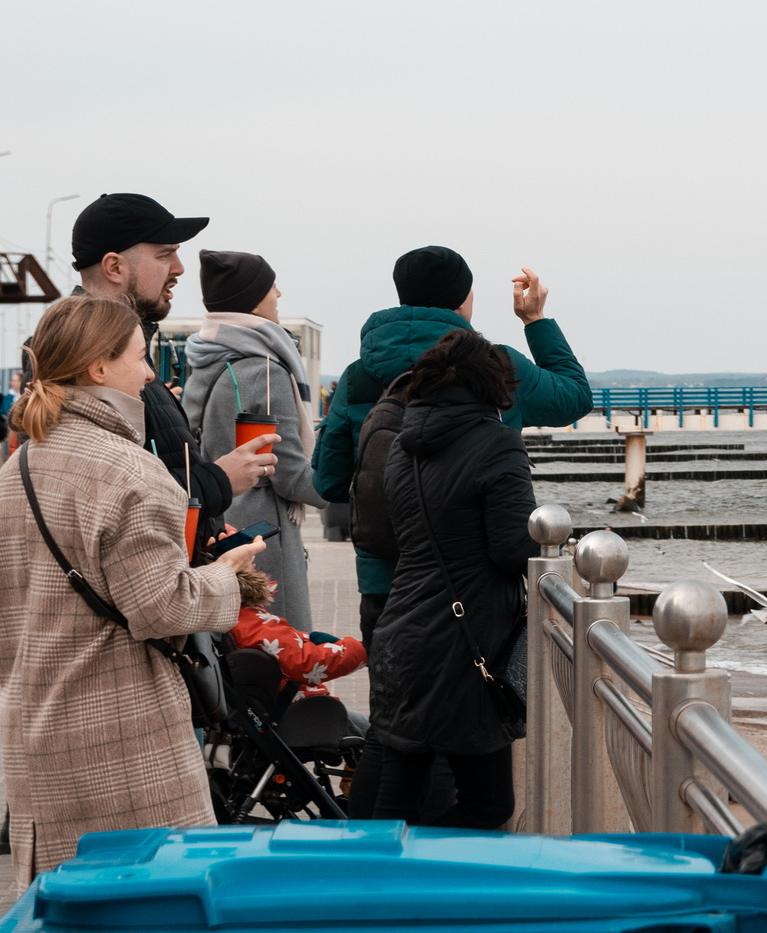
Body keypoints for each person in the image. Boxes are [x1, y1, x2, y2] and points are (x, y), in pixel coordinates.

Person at [313, 246, 587, 814]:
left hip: (386, 585)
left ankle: (384, 865)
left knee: (399, 738)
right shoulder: (492, 365)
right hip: (471, 596)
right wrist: (536, 320)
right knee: (461, 742)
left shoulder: (361, 374)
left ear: (399, 295)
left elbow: (328, 478)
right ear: (466, 299)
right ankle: (436, 870)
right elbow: (572, 398)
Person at [0, 297, 263, 884]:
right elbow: (163, 607)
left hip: (33, 739)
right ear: (97, 368)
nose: (149, 375)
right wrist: (230, 576)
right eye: (141, 359)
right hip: (122, 743)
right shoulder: (130, 470)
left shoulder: (16, 469)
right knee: (153, 901)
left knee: (64, 907)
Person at [369, 329, 537, 830]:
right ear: (493, 386)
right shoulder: (497, 443)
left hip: (403, 633)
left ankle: (386, 889)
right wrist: (557, 536)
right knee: (489, 805)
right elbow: (513, 549)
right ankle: (432, 887)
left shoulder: (404, 445)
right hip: (464, 649)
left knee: (397, 802)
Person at [65, 195, 277, 556]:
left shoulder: (123, 351)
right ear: (114, 267)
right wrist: (221, 479)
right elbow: (106, 496)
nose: (179, 268)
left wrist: (203, 531)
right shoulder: (79, 351)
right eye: (165, 254)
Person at [181, 251, 328, 628]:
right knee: (280, 649)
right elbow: (288, 471)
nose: (278, 293)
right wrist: (344, 491)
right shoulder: (264, 368)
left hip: (217, 521)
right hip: (262, 531)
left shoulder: (206, 357)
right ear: (253, 297)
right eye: (269, 286)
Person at [226, 562, 365, 694]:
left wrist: (308, 638)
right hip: (296, 703)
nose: (254, 561)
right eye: (247, 556)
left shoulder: (238, 611)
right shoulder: (248, 619)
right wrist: (364, 650)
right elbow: (306, 664)